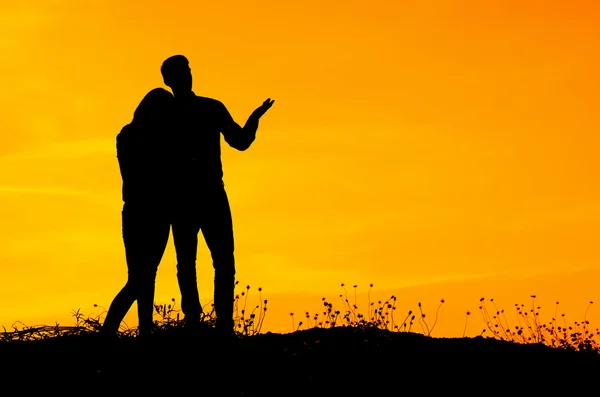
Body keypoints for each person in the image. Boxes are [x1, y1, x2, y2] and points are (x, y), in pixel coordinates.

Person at [160, 54, 274, 335]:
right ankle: (196, 322)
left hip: (208, 196)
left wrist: (253, 119)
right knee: (190, 262)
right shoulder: (167, 116)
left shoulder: (210, 108)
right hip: (186, 199)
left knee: (220, 259)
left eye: (188, 69)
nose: (187, 75)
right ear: (168, 80)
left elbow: (241, 141)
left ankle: (221, 323)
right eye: (181, 71)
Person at [101, 87, 175, 339]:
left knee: (144, 276)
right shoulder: (147, 137)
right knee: (139, 279)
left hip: (141, 212)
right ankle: (109, 332)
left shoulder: (127, 134)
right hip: (147, 212)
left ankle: (144, 331)